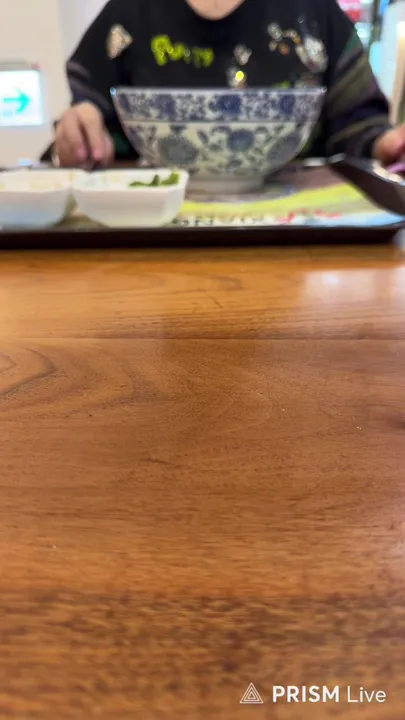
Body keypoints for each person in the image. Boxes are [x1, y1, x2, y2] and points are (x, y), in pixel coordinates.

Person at [48, 0, 405, 168]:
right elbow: (91, 119)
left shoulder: (314, 10)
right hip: (153, 238)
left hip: (295, 242)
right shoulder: (129, 13)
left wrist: (386, 144)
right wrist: (78, 134)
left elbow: (358, 124)